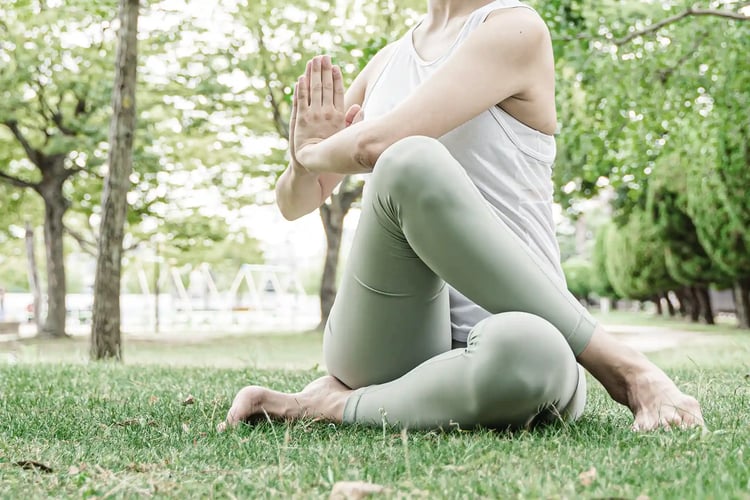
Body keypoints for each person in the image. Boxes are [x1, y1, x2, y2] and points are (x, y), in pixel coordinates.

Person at [219, 0, 704, 432]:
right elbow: (295, 201)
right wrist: (302, 156)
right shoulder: (386, 63)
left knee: (529, 349)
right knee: (406, 161)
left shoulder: (514, 28)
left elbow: (373, 146)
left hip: (517, 339)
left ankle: (329, 405)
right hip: (390, 346)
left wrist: (318, 152)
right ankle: (626, 369)